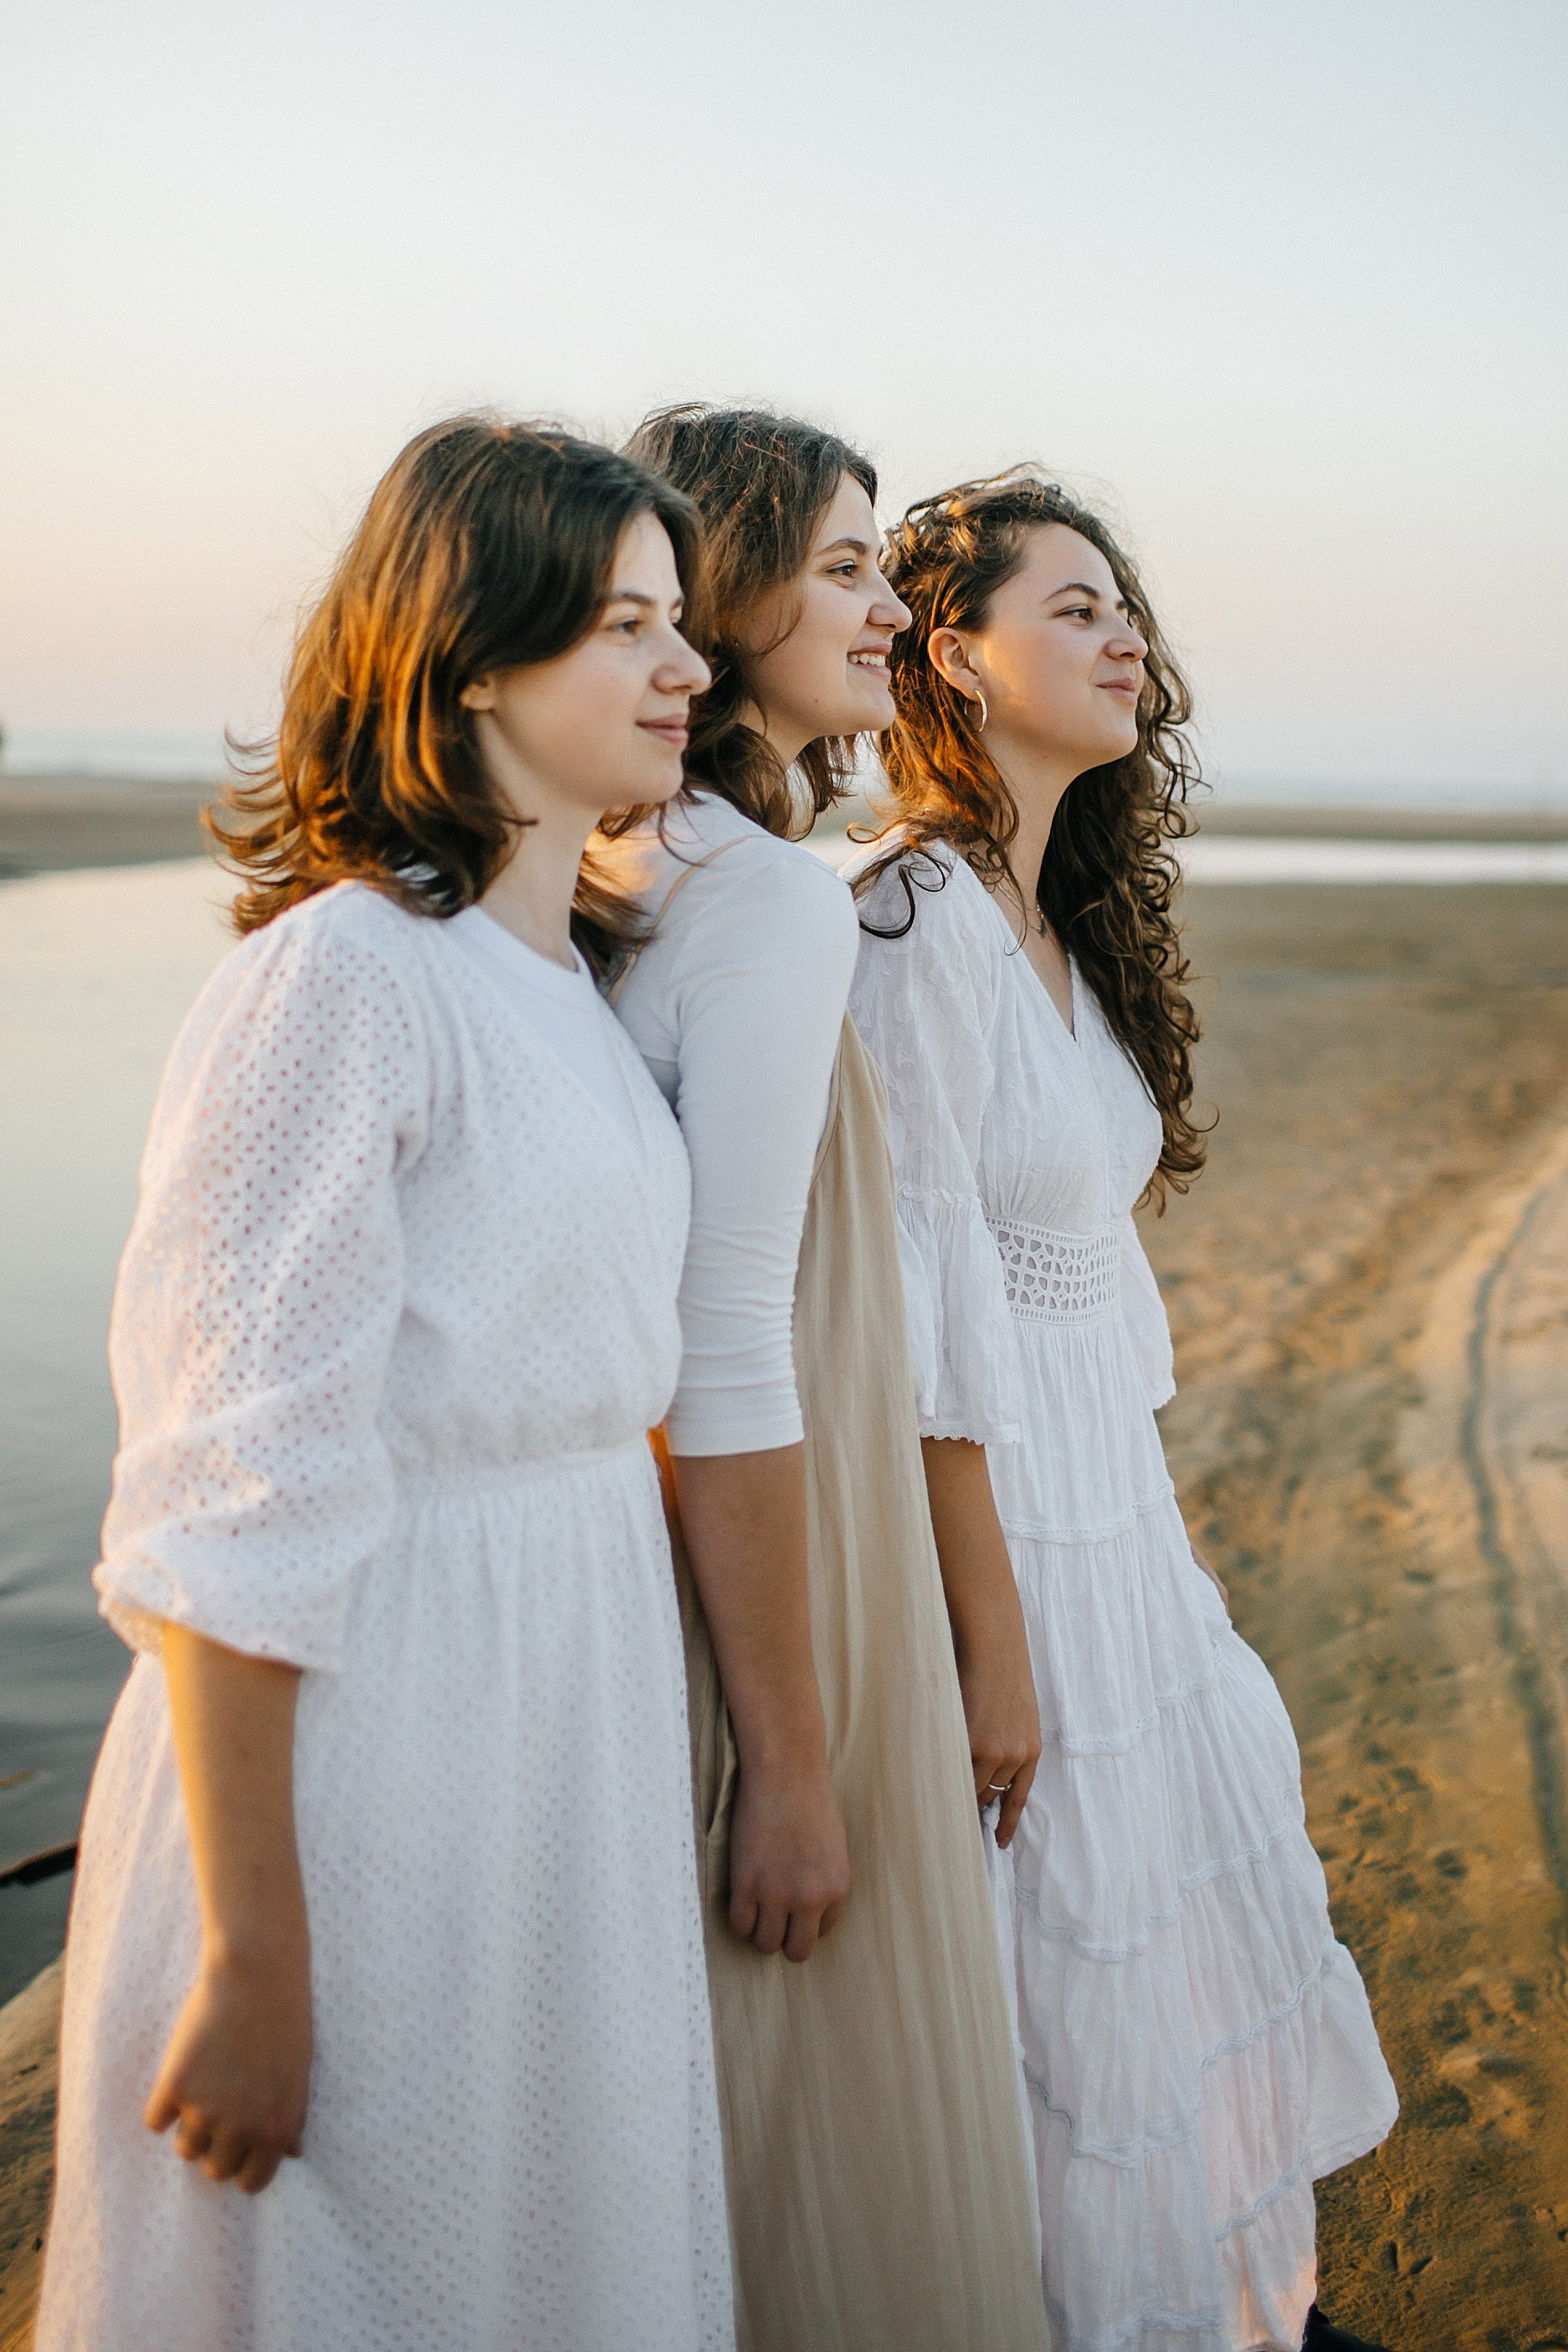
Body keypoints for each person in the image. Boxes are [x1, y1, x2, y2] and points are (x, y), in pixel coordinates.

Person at [36, 415, 734, 2352]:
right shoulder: (342, 976)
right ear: (474, 656)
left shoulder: (564, 988)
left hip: (560, 1713)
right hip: (384, 1736)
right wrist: (255, 1951)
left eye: (681, 620)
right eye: (625, 624)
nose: (687, 666)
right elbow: (230, 1502)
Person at [846, 471, 1399, 2352]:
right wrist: (991, 1644)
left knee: (1170, 1936)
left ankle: (1239, 2313)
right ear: (953, 656)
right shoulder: (912, 916)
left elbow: (1072, 1289)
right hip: (1006, 1546)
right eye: (1072, 607)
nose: (1124, 637)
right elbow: (921, 1327)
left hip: (1113, 1517)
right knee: (1063, 1974)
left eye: (1125, 607)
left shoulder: (1051, 917)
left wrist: (1147, 1553)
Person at [595, 406, 1048, 2352]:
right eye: (845, 568)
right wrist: (794, 1757)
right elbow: (730, 1334)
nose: (887, 610)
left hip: (725, 1515)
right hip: (801, 1526)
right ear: (729, 587)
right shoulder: (763, 893)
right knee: (828, 2089)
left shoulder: (641, 857)